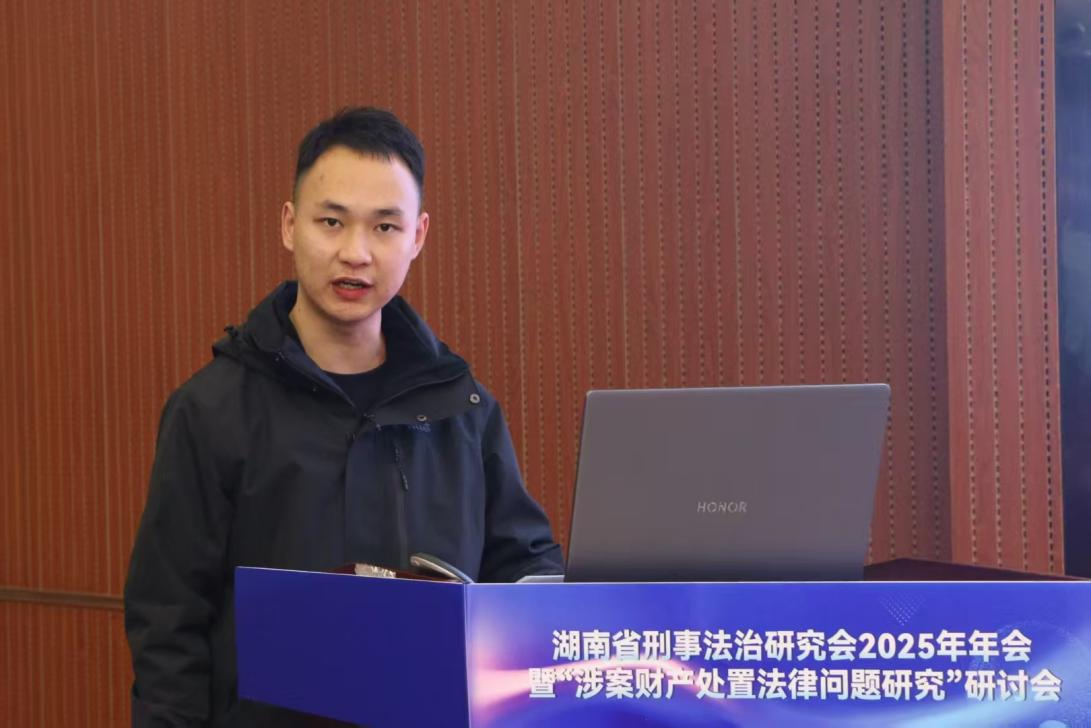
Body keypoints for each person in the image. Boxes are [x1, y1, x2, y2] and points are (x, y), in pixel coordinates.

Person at [124, 107, 563, 727]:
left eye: (385, 227)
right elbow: (168, 623)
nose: (355, 253)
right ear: (289, 224)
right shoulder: (212, 410)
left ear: (418, 236)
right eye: (331, 222)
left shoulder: (462, 410)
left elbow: (526, 570)